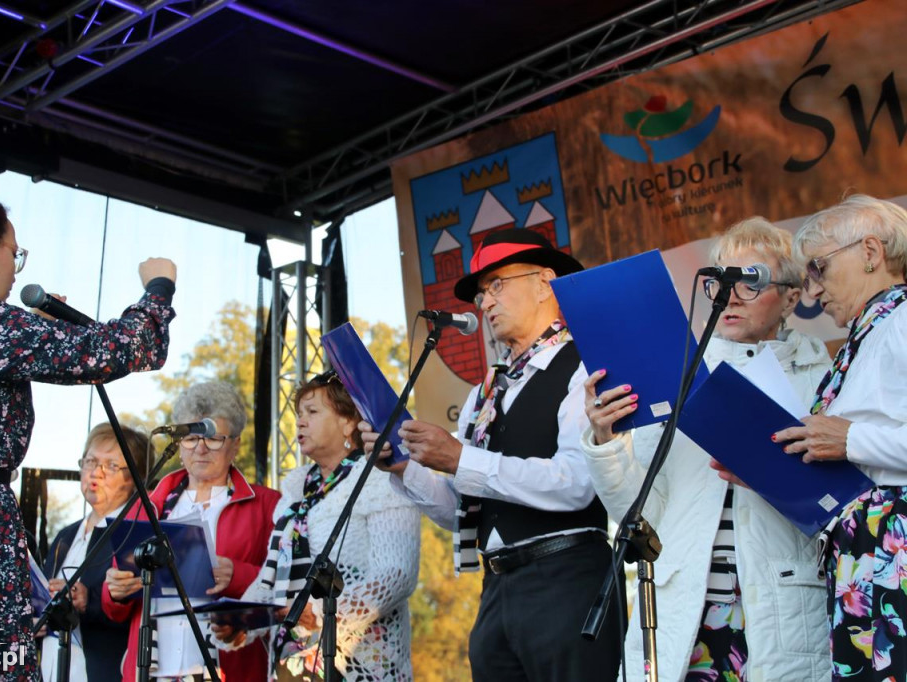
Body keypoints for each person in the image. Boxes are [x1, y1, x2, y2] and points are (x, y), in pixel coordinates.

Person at [0, 186, 176, 681]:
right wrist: (159, 289)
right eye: (13, 253)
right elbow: (123, 348)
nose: (14, 269)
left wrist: (23, 334)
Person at [362, 228, 621, 682]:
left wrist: (461, 459)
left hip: (567, 581)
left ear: (545, 283)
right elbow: (461, 510)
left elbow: (577, 483)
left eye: (497, 285)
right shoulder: (484, 393)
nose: (485, 303)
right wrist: (402, 466)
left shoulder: (583, 366)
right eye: (482, 294)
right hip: (496, 589)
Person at [582, 217, 832, 681]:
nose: (730, 295)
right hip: (683, 611)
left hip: (781, 611)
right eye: (720, 281)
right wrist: (607, 440)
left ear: (792, 297)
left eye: (750, 282)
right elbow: (641, 513)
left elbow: (844, 512)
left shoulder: (823, 381)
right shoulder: (678, 376)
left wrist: (775, 474)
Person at [774, 195, 907, 680]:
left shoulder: (902, 321)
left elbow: (857, 441)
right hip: (862, 556)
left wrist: (851, 439)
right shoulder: (868, 334)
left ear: (870, 252)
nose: (812, 291)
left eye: (819, 267)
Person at [216, 370, 420, 681]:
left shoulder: (379, 477)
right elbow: (274, 577)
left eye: (312, 412)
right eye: (299, 413)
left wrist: (324, 613)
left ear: (348, 422)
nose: (300, 422)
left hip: (358, 662)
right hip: (292, 663)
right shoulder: (296, 489)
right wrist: (243, 618)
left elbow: (396, 575)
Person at [102, 381, 281, 682]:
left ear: (235, 444)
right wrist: (115, 591)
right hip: (151, 672)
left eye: (213, 438)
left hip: (229, 669)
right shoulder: (146, 506)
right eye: (190, 437)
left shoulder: (267, 505)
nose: (200, 447)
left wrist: (238, 576)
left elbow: (288, 590)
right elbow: (115, 609)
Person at [41, 423, 151, 681]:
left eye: (111, 465)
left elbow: (140, 612)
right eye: (90, 461)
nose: (95, 473)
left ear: (134, 478)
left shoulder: (136, 533)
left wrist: (88, 600)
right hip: (50, 668)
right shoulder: (66, 535)